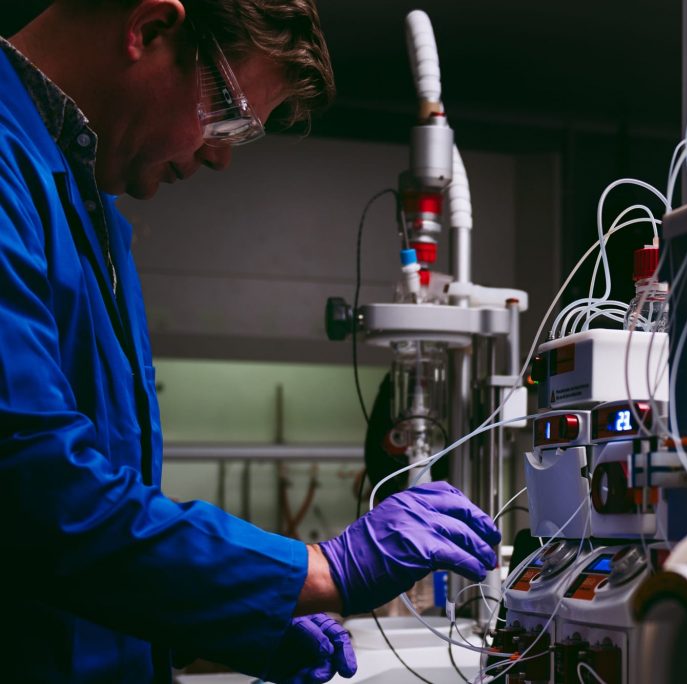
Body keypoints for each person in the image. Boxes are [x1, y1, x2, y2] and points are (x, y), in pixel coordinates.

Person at [0, 1, 502, 682]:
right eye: (228, 114)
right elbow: (34, 490)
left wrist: (232, 619)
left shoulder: (93, 215)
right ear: (149, 31)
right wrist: (321, 571)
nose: (220, 154)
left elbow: (91, 551)